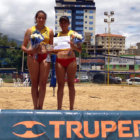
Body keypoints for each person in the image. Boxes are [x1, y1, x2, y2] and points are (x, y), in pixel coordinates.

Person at [21, 10, 54, 109]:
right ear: (36, 18)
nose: (41, 19)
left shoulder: (50, 31)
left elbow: (51, 47)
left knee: (43, 83)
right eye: (39, 17)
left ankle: (41, 106)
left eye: (43, 18)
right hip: (32, 57)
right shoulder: (30, 30)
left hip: (45, 57)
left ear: (45, 19)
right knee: (34, 82)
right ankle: (35, 107)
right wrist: (29, 51)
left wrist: (46, 51)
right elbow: (23, 46)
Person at [55, 16, 82, 110]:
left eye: (65, 22)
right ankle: (59, 108)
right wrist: (47, 49)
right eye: (61, 22)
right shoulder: (56, 35)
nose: (63, 24)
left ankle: (71, 108)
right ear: (59, 24)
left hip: (71, 60)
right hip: (59, 61)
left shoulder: (74, 34)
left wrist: (73, 47)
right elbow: (54, 50)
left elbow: (80, 50)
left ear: (68, 24)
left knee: (71, 84)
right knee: (60, 85)